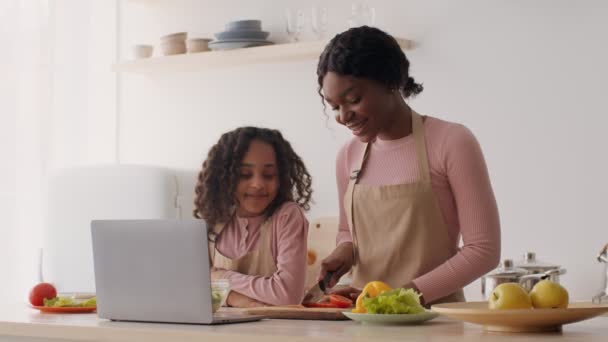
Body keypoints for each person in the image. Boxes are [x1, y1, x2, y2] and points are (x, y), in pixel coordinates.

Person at [316, 26, 501, 306]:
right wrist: (344, 251)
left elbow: (484, 250)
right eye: (334, 107)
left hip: (436, 321)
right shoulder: (348, 155)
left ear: (390, 81)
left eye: (353, 100)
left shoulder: (451, 141)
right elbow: (348, 232)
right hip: (364, 319)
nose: (344, 116)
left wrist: (403, 297)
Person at [193, 126, 313, 307]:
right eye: (245, 175)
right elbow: (196, 289)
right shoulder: (214, 218)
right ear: (225, 177)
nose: (257, 184)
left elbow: (288, 295)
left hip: (279, 333)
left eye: (269, 175)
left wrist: (223, 277)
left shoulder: (287, 216)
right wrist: (235, 298)